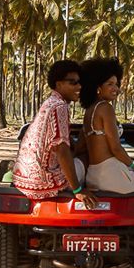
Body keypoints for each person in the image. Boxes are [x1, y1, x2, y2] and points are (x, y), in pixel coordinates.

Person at [80, 57, 134, 194]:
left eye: (116, 84)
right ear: (98, 87)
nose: (116, 89)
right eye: (110, 84)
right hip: (111, 177)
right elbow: (115, 148)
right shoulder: (105, 108)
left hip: (92, 176)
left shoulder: (89, 111)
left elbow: (81, 145)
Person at [10, 60, 87, 200]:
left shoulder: (49, 104)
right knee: (85, 157)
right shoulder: (59, 107)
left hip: (24, 181)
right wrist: (78, 190)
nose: (79, 86)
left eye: (80, 82)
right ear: (58, 84)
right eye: (73, 82)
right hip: (44, 183)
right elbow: (62, 150)